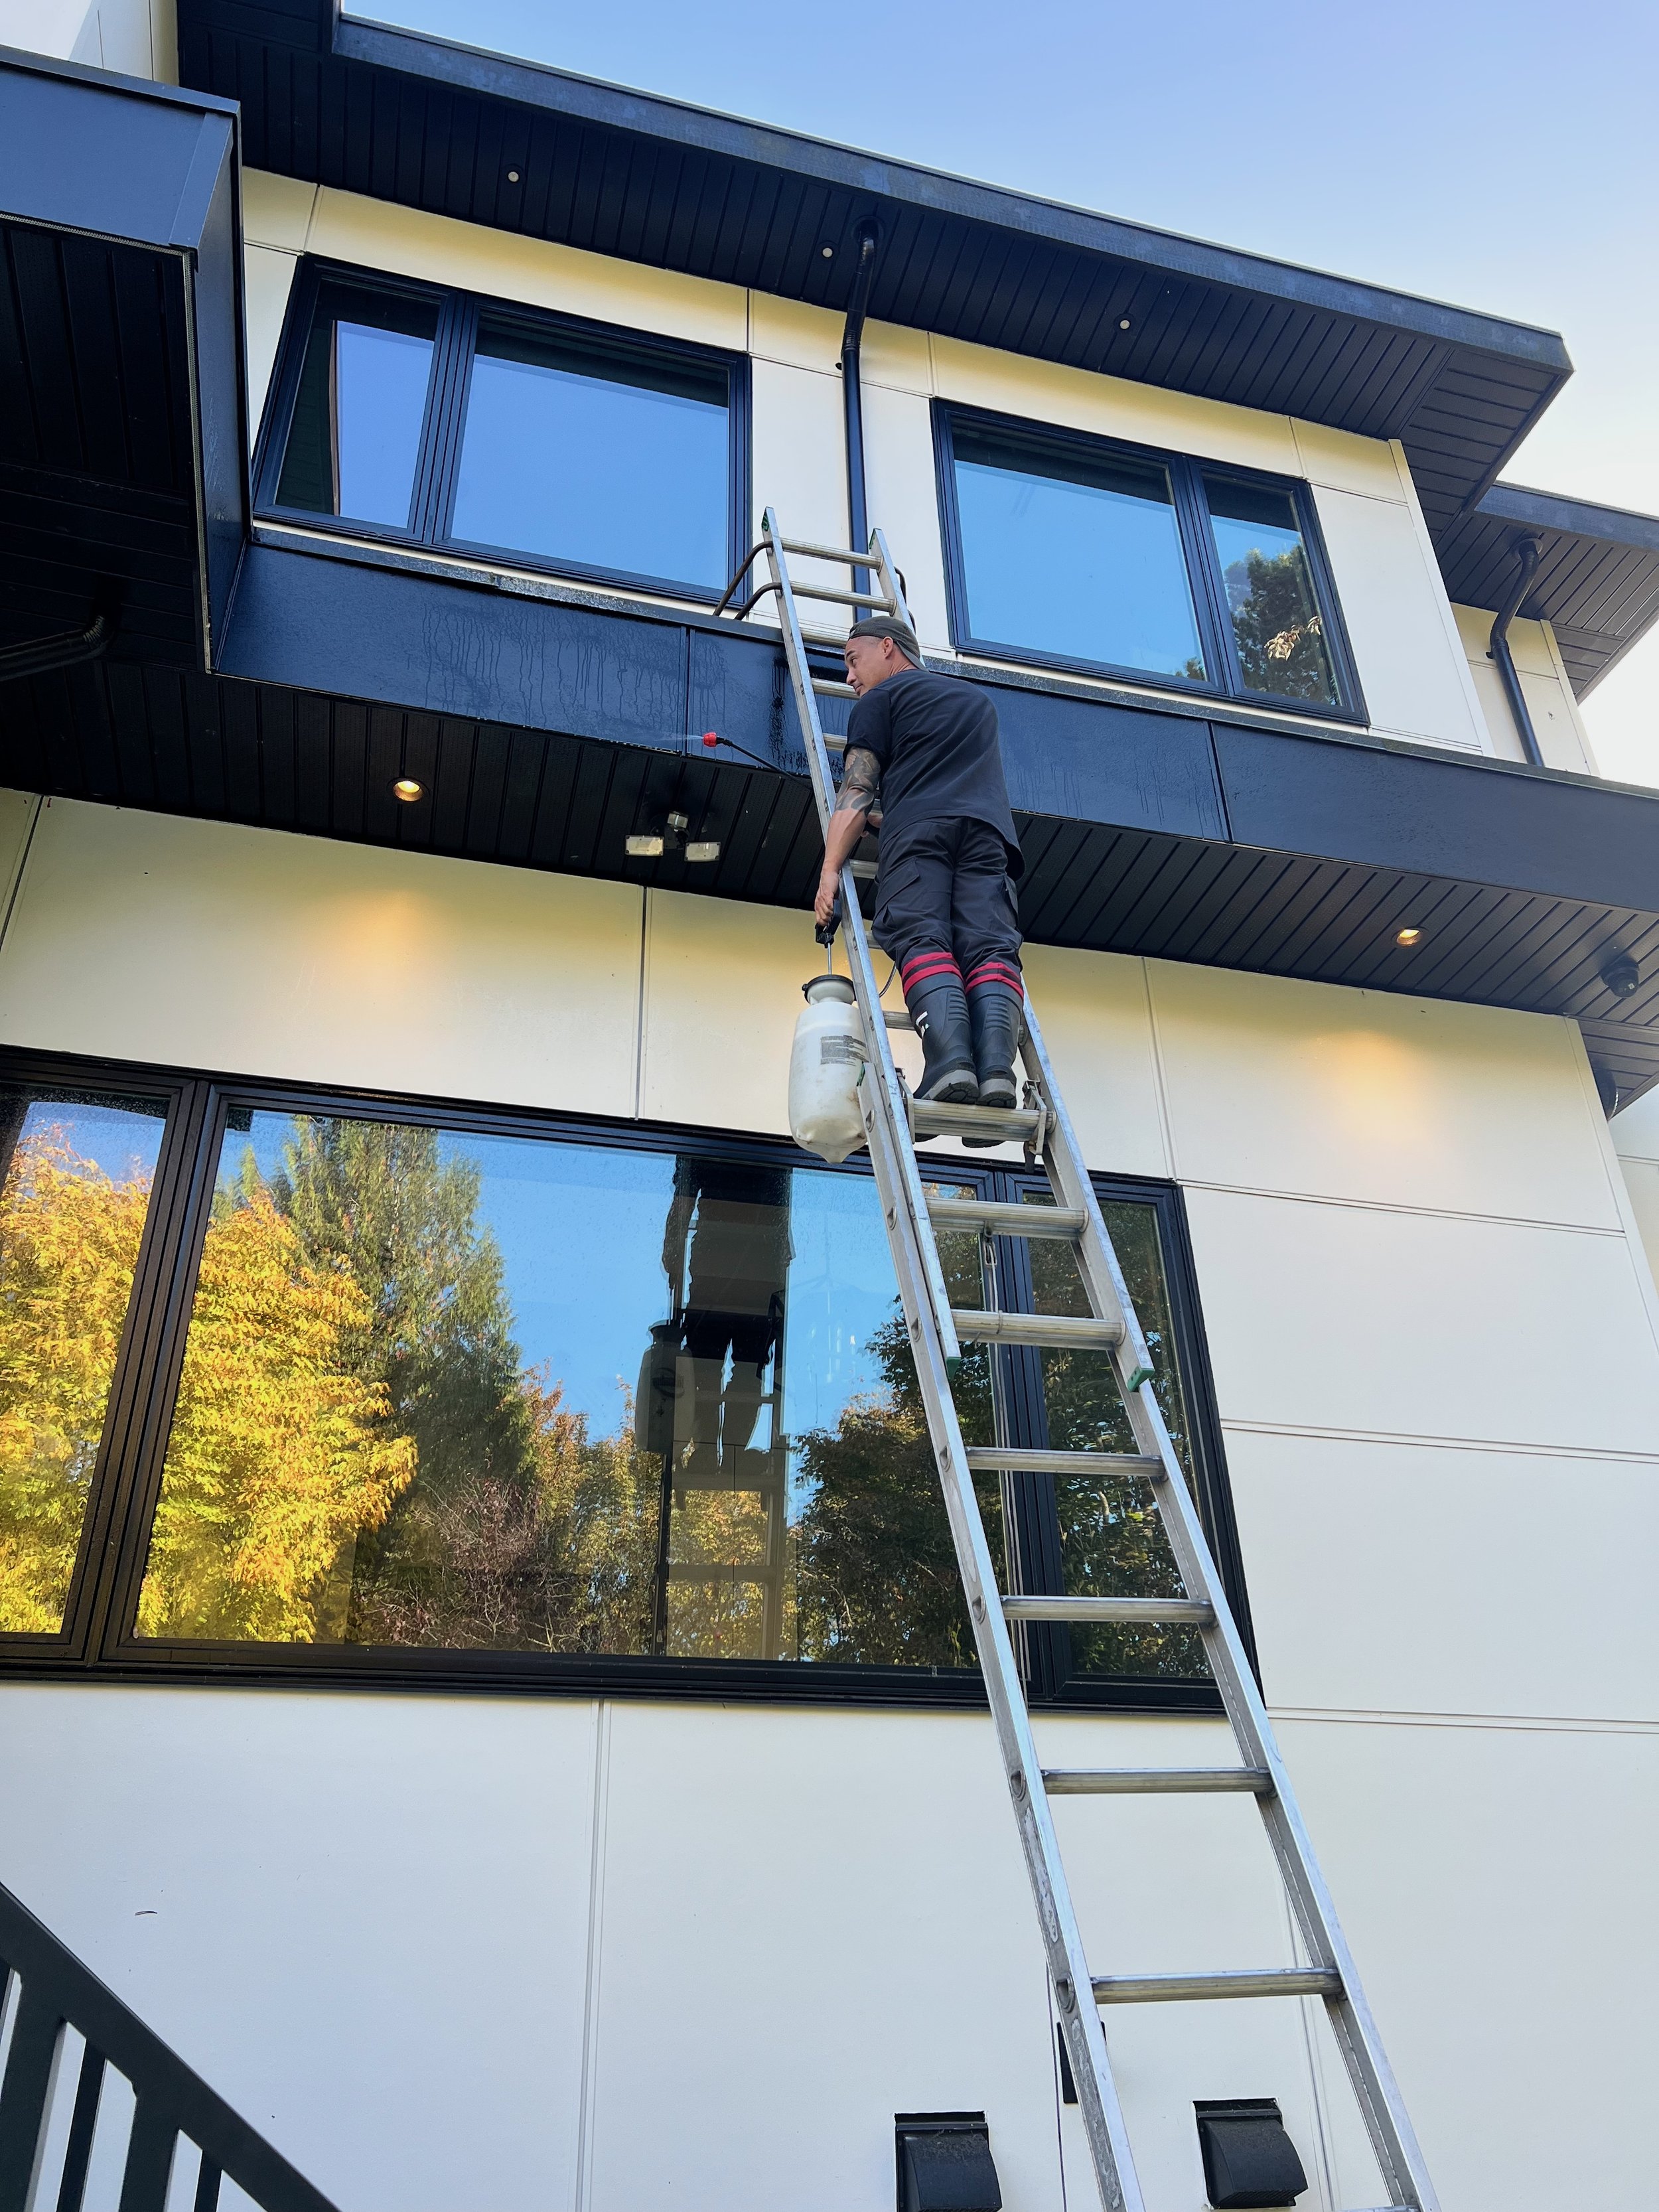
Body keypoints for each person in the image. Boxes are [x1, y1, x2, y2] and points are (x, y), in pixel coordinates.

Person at [813, 615, 1024, 1108]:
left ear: (888, 646)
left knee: (920, 934)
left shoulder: (880, 702)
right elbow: (946, 786)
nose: (849, 677)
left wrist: (828, 871)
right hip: (987, 838)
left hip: (920, 839)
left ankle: (950, 1062)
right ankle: (997, 1070)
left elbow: (859, 789)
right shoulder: (976, 703)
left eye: (852, 660)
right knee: (989, 947)